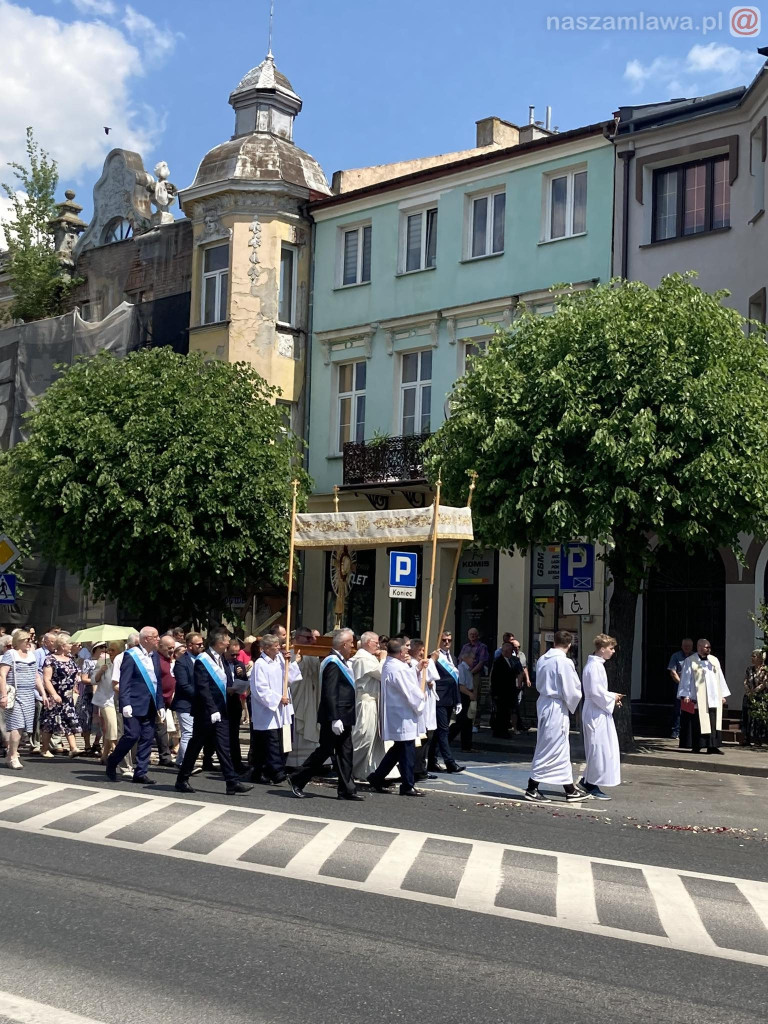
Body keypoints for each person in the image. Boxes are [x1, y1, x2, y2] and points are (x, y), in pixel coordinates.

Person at [175, 627, 252, 796]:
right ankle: (182, 779)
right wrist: (212, 709)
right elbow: (202, 687)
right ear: (219, 642)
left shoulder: (221, 659)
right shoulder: (203, 659)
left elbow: (225, 682)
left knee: (224, 746)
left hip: (221, 711)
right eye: (226, 640)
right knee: (195, 745)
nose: (228, 643)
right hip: (205, 712)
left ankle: (231, 782)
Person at [289, 628, 360, 801]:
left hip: (344, 715)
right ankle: (297, 779)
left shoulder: (341, 661)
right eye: (351, 642)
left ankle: (346, 790)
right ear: (344, 644)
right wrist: (335, 718)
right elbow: (330, 692)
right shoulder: (332, 662)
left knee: (345, 752)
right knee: (325, 751)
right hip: (334, 717)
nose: (352, 645)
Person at [525, 630, 589, 803]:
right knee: (550, 746)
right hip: (556, 706)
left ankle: (569, 788)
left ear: (554, 642)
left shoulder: (543, 659)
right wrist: (574, 705)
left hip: (544, 702)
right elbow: (571, 688)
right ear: (569, 645)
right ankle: (532, 787)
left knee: (559, 747)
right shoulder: (564, 662)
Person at [367, 638, 428, 797]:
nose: (408, 652)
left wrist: (418, 669)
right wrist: (421, 698)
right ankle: (407, 785)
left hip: (398, 712)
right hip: (402, 713)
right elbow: (408, 689)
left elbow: (406, 678)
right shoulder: (398, 668)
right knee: (407, 749)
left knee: (398, 749)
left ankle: (377, 777)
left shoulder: (391, 664)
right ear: (401, 652)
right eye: (406, 649)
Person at [105, 626, 164, 785]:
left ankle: (141, 772)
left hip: (150, 704)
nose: (158, 639)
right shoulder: (130, 656)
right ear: (146, 639)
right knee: (132, 736)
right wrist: (125, 703)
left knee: (147, 738)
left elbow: (157, 682)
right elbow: (124, 682)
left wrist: (160, 705)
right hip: (132, 703)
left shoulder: (155, 656)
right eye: (155, 636)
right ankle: (112, 761)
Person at [579, 634, 623, 800]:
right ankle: (590, 783)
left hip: (598, 710)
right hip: (595, 712)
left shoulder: (596, 665)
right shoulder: (595, 667)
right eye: (611, 648)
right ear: (602, 649)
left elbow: (598, 692)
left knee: (601, 748)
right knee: (597, 749)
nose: (612, 652)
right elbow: (596, 693)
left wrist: (612, 696)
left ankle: (588, 780)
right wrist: (613, 698)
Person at [249, 633, 293, 784]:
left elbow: (290, 678)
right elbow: (260, 689)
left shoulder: (279, 660)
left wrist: (289, 661)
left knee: (274, 742)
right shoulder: (260, 665)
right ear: (266, 648)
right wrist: (278, 698)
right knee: (271, 742)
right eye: (275, 647)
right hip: (267, 710)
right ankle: (277, 771)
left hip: (280, 709)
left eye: (279, 646)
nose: (279, 648)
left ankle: (262, 771)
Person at [0, 630, 46, 770]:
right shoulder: (10, 654)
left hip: (28, 695)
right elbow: (2, 674)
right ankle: (13, 755)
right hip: (15, 694)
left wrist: (43, 693)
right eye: (26, 640)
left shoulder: (31, 655)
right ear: (18, 641)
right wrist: (3, 695)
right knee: (17, 725)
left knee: (23, 728)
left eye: (29, 640)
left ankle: (11, 754)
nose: (29, 643)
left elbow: (36, 677)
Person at [677, 638, 730, 754]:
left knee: (713, 722)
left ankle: (713, 746)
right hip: (698, 699)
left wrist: (723, 694)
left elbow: (720, 677)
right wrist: (685, 694)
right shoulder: (690, 661)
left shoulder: (714, 661)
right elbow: (686, 679)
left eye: (709, 647)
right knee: (698, 722)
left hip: (713, 698)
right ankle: (697, 745)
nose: (709, 649)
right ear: (699, 647)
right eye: (707, 647)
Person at [40, 633, 84, 759]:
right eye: (69, 644)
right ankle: (44, 749)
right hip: (56, 695)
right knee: (50, 722)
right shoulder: (50, 659)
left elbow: (74, 674)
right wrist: (53, 694)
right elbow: (46, 679)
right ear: (62, 645)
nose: (71, 646)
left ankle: (73, 748)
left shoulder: (70, 659)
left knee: (69, 719)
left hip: (68, 696)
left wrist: (75, 685)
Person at [350, 630, 387, 780]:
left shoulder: (370, 657)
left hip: (374, 700)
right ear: (366, 642)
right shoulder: (362, 658)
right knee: (364, 736)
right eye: (375, 642)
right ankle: (351, 768)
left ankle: (366, 770)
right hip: (365, 702)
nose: (378, 645)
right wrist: (384, 659)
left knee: (373, 738)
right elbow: (383, 673)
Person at [428, 632, 465, 774]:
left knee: (439, 732)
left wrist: (458, 700)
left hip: (450, 699)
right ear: (439, 641)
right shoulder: (435, 657)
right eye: (444, 640)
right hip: (439, 699)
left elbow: (454, 681)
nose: (447, 642)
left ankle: (431, 761)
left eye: (449, 640)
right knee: (444, 731)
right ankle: (450, 763)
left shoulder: (452, 657)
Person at [172, 632, 205, 774]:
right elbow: (184, 685)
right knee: (188, 733)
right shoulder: (181, 661)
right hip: (185, 703)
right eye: (199, 644)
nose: (202, 646)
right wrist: (199, 696)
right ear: (189, 645)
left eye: (202, 644)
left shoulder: (202, 659)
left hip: (197, 704)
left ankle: (180, 761)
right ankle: (187, 764)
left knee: (192, 732)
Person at [410, 637, 439, 782]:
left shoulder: (420, 663)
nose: (422, 653)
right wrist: (432, 660)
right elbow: (427, 677)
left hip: (428, 705)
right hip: (419, 707)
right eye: (420, 650)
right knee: (421, 740)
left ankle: (421, 768)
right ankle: (417, 769)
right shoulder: (413, 664)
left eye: (423, 650)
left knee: (427, 738)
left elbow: (432, 678)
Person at [92, 641, 122, 765]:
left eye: (113, 650)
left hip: (118, 699)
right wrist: (100, 671)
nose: (109, 652)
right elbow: (94, 680)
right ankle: (118, 757)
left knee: (112, 728)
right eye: (108, 649)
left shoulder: (123, 662)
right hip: (105, 699)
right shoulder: (103, 662)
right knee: (112, 726)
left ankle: (105, 755)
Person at [225, 637, 251, 773]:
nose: (235, 657)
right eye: (232, 653)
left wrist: (241, 677)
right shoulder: (220, 663)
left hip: (234, 702)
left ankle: (237, 763)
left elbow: (244, 681)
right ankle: (208, 759)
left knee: (234, 735)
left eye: (237, 653)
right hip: (223, 703)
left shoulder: (239, 665)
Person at [490, 642, 523, 738]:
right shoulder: (498, 661)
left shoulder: (510, 661)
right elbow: (495, 678)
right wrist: (495, 692)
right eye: (510, 650)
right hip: (501, 692)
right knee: (501, 713)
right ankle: (500, 731)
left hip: (509, 691)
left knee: (506, 712)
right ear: (505, 651)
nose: (511, 652)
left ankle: (502, 731)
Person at [154, 634, 177, 767]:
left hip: (169, 699)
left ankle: (164, 756)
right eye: (169, 648)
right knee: (159, 728)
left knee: (161, 728)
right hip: (158, 699)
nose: (172, 650)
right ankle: (165, 757)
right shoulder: (156, 659)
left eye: (173, 648)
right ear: (160, 646)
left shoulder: (171, 660)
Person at [449, 651, 477, 752]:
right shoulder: (461, 668)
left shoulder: (468, 669)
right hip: (464, 696)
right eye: (472, 658)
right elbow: (461, 686)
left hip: (468, 694)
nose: (474, 661)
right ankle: (446, 740)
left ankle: (467, 746)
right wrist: (470, 694)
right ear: (466, 658)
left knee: (468, 722)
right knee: (461, 721)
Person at [667, 638, 694, 739]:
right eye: (685, 646)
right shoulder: (676, 656)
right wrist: (681, 684)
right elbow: (673, 672)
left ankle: (688, 731)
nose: (687, 648)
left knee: (690, 708)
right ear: (682, 646)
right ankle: (676, 731)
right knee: (678, 709)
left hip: (692, 687)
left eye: (689, 646)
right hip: (679, 685)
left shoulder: (695, 656)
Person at [742, 649, 768, 746]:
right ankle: (746, 737)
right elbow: (745, 681)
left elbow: (764, 683)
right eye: (751, 656)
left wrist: (755, 691)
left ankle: (759, 738)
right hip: (749, 694)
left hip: (760, 695)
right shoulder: (749, 669)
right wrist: (748, 691)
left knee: (758, 718)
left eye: (754, 656)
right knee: (747, 716)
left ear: (760, 658)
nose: (752, 658)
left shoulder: (765, 669)